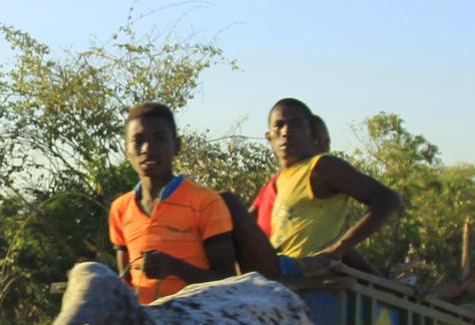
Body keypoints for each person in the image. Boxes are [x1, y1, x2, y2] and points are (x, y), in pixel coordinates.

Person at [109, 102, 246, 304]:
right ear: (126, 149)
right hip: (144, 319)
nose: (147, 148)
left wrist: (176, 268)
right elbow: (126, 282)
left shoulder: (205, 202)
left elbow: (228, 280)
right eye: (138, 140)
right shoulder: (120, 209)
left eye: (159, 139)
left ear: (177, 145)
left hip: (198, 316)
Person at [265, 97, 403, 268]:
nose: (286, 132)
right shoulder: (281, 179)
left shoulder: (321, 166)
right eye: (278, 125)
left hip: (311, 275)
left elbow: (388, 199)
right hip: (282, 272)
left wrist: (337, 250)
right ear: (269, 137)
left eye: (296, 124)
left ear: (312, 133)